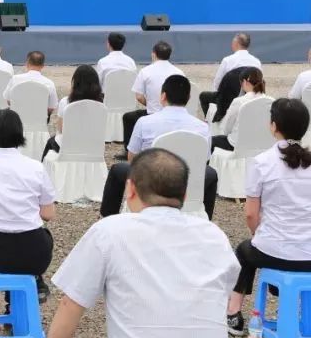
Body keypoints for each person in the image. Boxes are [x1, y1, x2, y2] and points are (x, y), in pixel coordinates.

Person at [38, 149, 239, 338]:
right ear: (185, 195)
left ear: (130, 189)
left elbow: (70, 304)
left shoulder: (110, 231)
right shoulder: (214, 235)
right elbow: (222, 294)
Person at [226, 99, 311, 335]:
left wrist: (260, 234)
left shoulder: (262, 162)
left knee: (245, 250)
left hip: (274, 251)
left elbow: (251, 214)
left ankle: (233, 313)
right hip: (309, 255)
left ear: (273, 126)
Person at [0, 109, 56, 301]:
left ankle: (12, 305)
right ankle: (33, 284)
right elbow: (48, 214)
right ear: (19, 135)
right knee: (43, 236)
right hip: (35, 253)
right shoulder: (36, 168)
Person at [99, 75, 217, 219]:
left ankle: (108, 217)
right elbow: (204, 160)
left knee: (117, 170)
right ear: (188, 98)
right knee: (211, 174)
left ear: (163, 96)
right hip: (187, 178)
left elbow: (132, 158)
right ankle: (205, 218)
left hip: (150, 180)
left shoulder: (144, 122)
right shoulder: (202, 127)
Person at [121, 41, 184, 155]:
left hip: (152, 113)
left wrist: (150, 104)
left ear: (153, 54)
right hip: (174, 112)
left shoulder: (145, 71)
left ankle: (128, 150)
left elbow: (139, 97)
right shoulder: (179, 72)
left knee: (128, 117)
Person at [42, 65, 103, 162]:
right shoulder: (101, 105)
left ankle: (44, 169)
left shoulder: (66, 102)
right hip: (93, 146)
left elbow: (61, 129)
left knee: (51, 142)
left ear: (75, 82)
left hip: (69, 147)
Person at [211, 66, 271, 153]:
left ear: (245, 82)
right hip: (261, 145)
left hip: (236, 145)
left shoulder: (239, 101)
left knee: (210, 142)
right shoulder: (271, 101)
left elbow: (226, 128)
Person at [200, 32, 261, 116]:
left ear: (236, 44)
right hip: (250, 99)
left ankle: (209, 120)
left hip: (228, 101)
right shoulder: (257, 62)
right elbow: (259, 83)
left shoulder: (228, 61)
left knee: (203, 96)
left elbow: (217, 83)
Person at [2, 51, 58, 115]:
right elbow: (52, 107)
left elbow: (8, 100)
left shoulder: (15, 79)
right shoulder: (49, 83)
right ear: (43, 66)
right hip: (39, 119)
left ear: (27, 64)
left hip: (17, 118)